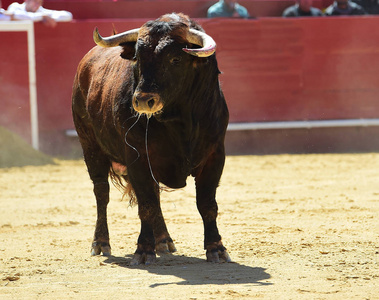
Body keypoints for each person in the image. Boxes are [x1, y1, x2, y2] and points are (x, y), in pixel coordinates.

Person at [7, 0, 72, 27]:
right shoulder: (15, 6)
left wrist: (51, 18)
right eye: (35, 1)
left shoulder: (41, 11)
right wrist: (41, 17)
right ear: (26, 0)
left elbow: (68, 15)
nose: (37, 5)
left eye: (40, 2)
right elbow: (14, 15)